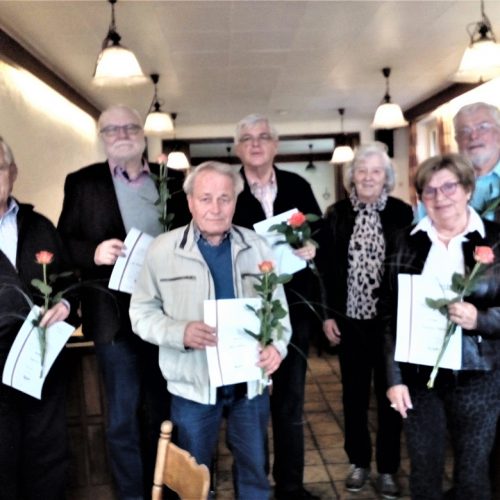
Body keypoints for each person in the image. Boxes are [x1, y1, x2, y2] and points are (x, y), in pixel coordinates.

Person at [130, 161, 291, 499]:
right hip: (192, 387)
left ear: (235, 201)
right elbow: (140, 313)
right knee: (192, 483)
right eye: (205, 198)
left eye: (224, 198)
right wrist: (179, 332)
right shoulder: (163, 249)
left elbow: (278, 312)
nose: (215, 208)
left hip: (249, 386)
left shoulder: (257, 247)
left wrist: (277, 347)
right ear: (190, 202)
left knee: (255, 475)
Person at [58, 105, 190, 500]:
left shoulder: (173, 180)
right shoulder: (82, 183)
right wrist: (93, 252)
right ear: (101, 137)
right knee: (122, 419)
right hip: (113, 320)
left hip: (167, 315)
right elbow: (62, 243)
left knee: (164, 412)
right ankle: (133, 496)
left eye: (130, 127)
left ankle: (165, 492)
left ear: (142, 134)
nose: (121, 134)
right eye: (111, 129)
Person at [382, 153, 500, 499]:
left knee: (472, 477)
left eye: (449, 187)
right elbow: (388, 315)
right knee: (424, 473)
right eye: (429, 190)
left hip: (478, 376)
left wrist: (480, 319)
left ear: (467, 189)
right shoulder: (404, 239)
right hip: (420, 377)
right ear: (420, 197)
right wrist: (394, 379)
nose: (440, 197)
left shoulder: (496, 239)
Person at [231, 114, 322, 500]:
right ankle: (253, 488)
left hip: (293, 308)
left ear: (275, 145)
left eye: (263, 136)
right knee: (248, 405)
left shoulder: (298, 186)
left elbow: (318, 234)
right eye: (247, 138)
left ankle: (290, 486)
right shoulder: (229, 190)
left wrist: (312, 247)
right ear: (237, 148)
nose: (255, 143)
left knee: (290, 402)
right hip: (245, 310)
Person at [318, 142, 412, 498]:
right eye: (362, 171)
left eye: (376, 171)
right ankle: (358, 462)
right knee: (353, 397)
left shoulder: (402, 212)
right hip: (350, 321)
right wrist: (327, 315)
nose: (369, 177)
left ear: (386, 177)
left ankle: (388, 468)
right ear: (352, 177)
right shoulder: (336, 214)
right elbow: (326, 269)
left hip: (390, 324)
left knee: (391, 396)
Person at [0, 137, 74, 499]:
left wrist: (67, 306)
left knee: (48, 458)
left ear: (13, 173)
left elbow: (70, 281)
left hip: (41, 365)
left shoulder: (40, 226)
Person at [415, 102, 500, 222]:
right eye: (464, 131)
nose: (473, 136)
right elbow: (420, 228)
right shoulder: (437, 184)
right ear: (457, 140)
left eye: (482, 127)